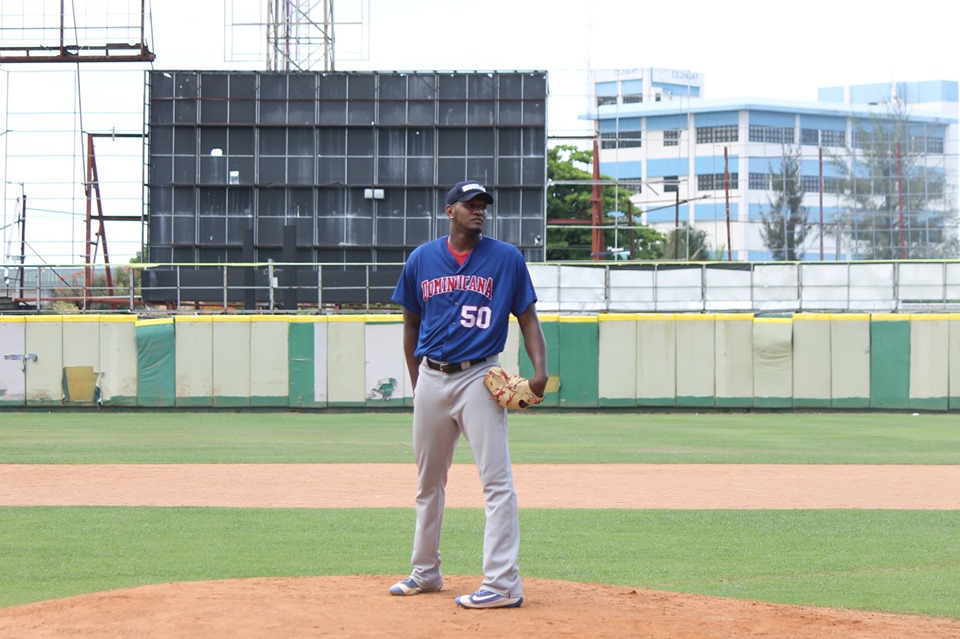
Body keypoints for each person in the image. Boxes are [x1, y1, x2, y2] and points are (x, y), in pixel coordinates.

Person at [388, 179, 548, 609]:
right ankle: (425, 572)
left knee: (497, 484)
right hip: (431, 376)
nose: (478, 210)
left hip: (479, 377)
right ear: (449, 211)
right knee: (428, 484)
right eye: (469, 204)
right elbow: (410, 326)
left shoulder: (506, 258)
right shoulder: (422, 259)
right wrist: (418, 382)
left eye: (483, 205)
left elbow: (528, 317)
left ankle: (502, 584)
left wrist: (540, 372)